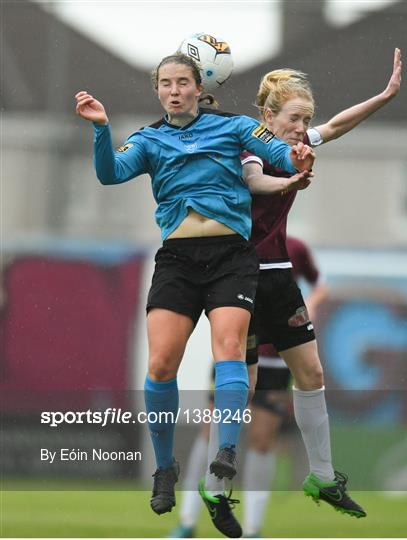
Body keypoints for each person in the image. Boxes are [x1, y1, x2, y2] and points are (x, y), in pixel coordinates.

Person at [74, 53, 314, 518]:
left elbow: (278, 153)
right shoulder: (149, 139)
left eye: (182, 81)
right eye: (166, 83)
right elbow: (109, 174)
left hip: (231, 257)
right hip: (179, 261)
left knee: (229, 349)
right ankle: (165, 468)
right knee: (162, 364)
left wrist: (298, 155)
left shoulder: (234, 126)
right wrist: (101, 127)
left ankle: (225, 455)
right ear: (158, 90)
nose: (174, 90)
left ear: (197, 86)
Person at [196, 48, 402, 535]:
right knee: (240, 388)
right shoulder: (249, 146)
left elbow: (336, 127)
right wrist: (294, 178)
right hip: (237, 276)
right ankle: (215, 487)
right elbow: (253, 179)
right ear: (268, 116)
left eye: (305, 117)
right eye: (294, 117)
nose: (303, 126)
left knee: (311, 372)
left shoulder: (295, 145)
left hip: (279, 275)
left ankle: (323, 477)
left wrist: (385, 96)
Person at [170, 236, 327, 538]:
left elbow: (320, 283)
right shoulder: (232, 238)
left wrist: (311, 305)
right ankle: (187, 522)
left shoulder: (293, 248)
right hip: (234, 356)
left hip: (277, 361)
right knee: (210, 432)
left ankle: (253, 528)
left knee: (262, 439)